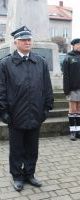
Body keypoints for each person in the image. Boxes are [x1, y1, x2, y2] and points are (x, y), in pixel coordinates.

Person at [0, 26, 54, 191]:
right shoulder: (5, 63)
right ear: (16, 42)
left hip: (36, 114)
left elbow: (47, 88)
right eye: (23, 40)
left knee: (32, 148)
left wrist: (46, 110)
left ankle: (29, 174)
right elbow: (1, 89)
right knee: (17, 149)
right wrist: (4, 113)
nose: (27, 42)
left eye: (29, 39)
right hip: (15, 115)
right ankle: (17, 176)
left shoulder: (40, 62)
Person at [63, 38, 80, 141]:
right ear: (73, 46)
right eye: (77, 45)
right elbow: (66, 75)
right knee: (72, 110)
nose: (79, 46)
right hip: (72, 88)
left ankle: (78, 132)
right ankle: (72, 132)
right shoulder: (68, 57)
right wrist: (66, 89)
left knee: (79, 110)